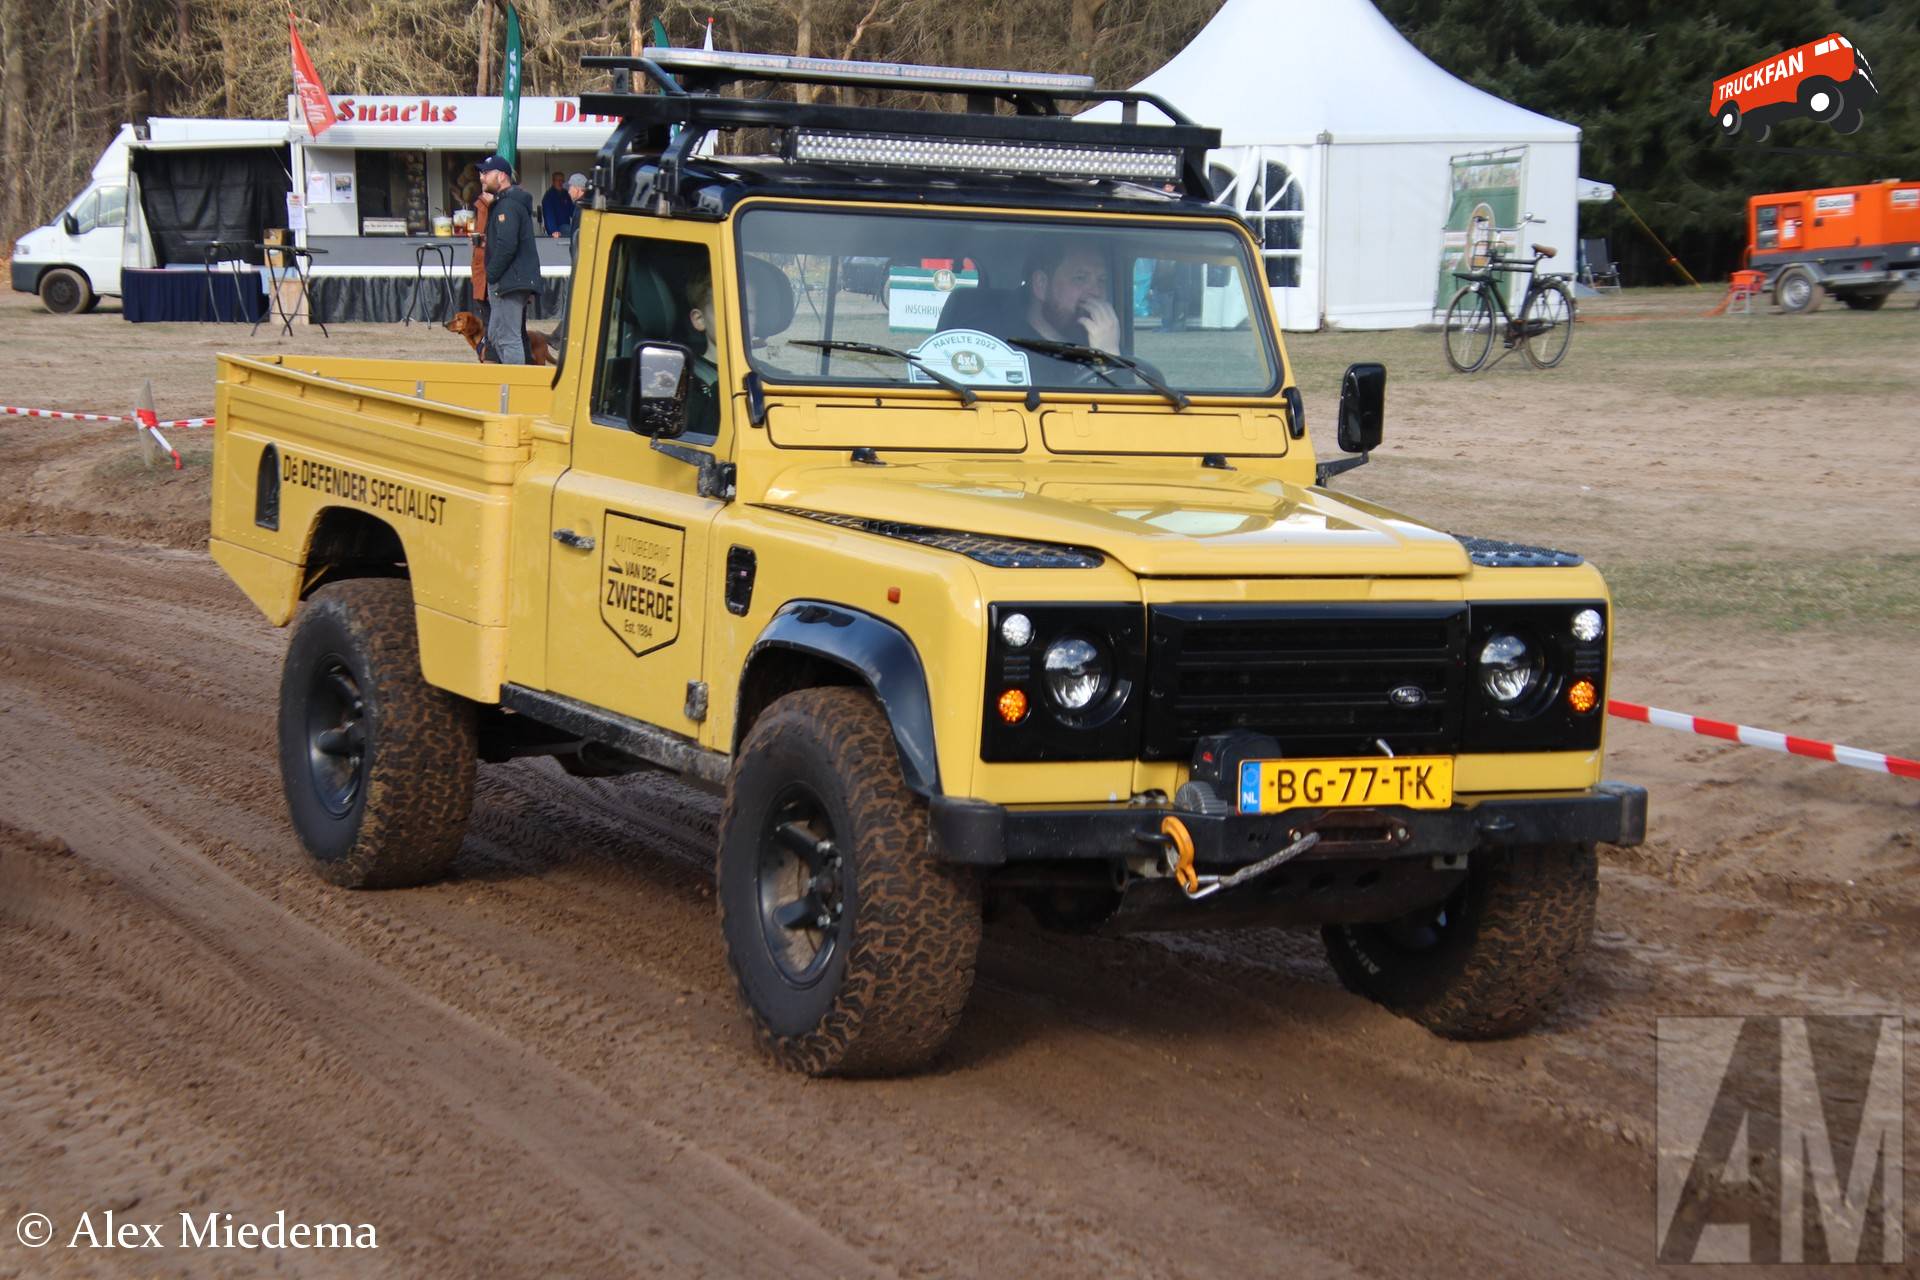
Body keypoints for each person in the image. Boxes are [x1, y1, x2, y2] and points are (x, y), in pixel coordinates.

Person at [478, 155, 540, 365]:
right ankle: (511, 384)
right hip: (510, 280)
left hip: (508, 281)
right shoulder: (505, 204)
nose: (482, 177)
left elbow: (507, 246)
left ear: (502, 175)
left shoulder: (508, 206)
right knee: (495, 335)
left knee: (508, 338)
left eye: (486, 173)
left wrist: (492, 275)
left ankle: (515, 389)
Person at [541, 171, 575, 239]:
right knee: (571, 231)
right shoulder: (548, 197)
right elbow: (549, 216)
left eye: (562, 181)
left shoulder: (565, 194)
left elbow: (572, 211)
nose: (560, 183)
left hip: (566, 225)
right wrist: (554, 231)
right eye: (558, 180)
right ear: (553, 181)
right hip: (556, 228)